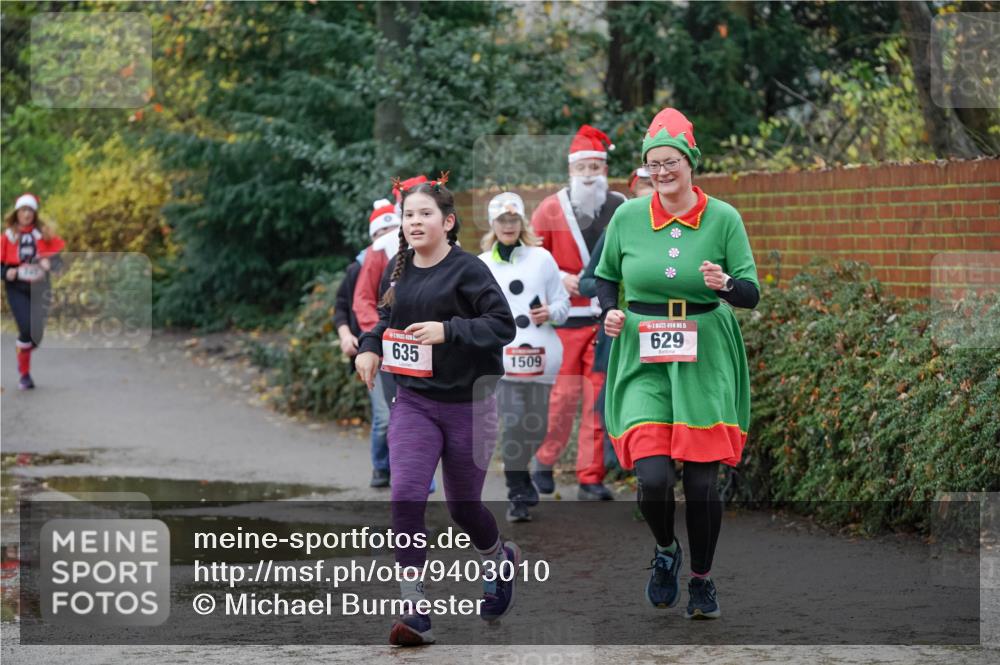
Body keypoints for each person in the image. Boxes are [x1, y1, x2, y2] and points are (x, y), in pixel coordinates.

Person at [595, 108, 760, 620]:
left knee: (703, 484)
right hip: (642, 353)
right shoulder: (627, 217)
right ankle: (666, 550)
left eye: (671, 162)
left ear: (691, 163)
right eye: (654, 164)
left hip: (704, 355)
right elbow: (604, 275)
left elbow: (751, 292)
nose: (662, 172)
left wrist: (724, 284)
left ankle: (702, 580)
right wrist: (610, 311)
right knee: (653, 477)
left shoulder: (724, 218)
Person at [355, 175, 520, 646]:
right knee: (406, 495)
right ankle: (414, 607)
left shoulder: (469, 270)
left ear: (447, 222)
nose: (415, 222)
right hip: (414, 402)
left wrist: (448, 331)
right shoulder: (400, 268)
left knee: (463, 506)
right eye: (408, 215)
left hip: (470, 405)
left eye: (425, 214)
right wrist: (369, 347)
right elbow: (387, 319)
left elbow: (502, 325)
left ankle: (498, 559)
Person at [530, 124, 627, 501]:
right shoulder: (550, 208)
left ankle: (591, 476)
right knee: (563, 400)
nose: (588, 175)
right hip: (566, 321)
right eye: (582, 167)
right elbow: (530, 257)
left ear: (605, 169)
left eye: (595, 167)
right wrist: (560, 277)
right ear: (570, 170)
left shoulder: (620, 206)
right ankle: (545, 460)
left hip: (605, 319)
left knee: (598, 400)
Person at [478, 192, 570, 523]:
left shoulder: (542, 258)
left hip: (541, 357)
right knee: (514, 421)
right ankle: (516, 491)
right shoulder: (482, 264)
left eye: (513, 220)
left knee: (538, 425)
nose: (508, 226)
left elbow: (563, 304)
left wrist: (550, 312)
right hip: (503, 361)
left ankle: (522, 476)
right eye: (502, 220)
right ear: (493, 224)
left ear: (522, 223)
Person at [578, 167, 653, 473]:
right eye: (644, 186)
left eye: (654, 185)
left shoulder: (682, 229)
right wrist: (614, 294)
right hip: (622, 330)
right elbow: (588, 281)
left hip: (666, 330)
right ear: (633, 193)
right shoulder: (618, 229)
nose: (650, 191)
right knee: (617, 396)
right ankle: (621, 462)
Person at [338, 199, 402, 487]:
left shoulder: (412, 258)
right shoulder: (358, 268)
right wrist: (358, 336)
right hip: (374, 348)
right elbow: (345, 306)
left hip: (407, 349)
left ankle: (411, 473)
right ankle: (381, 467)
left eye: (391, 229)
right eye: (380, 232)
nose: (386, 236)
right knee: (384, 415)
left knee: (407, 414)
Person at [1, 193, 65, 390]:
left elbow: (59, 263)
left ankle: (23, 347)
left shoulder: (43, 235)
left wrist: (50, 264)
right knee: (26, 329)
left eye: (30, 210)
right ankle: (24, 375)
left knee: (35, 336)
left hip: (40, 288)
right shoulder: (7, 237)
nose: (26, 214)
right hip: (17, 288)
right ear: (17, 213)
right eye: (23, 210)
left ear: (35, 213)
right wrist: (6, 272)